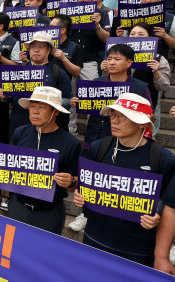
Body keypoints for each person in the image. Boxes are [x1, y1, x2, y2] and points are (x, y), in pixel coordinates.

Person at [74, 93, 175, 269]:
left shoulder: (162, 158)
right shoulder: (99, 147)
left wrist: (156, 215)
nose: (115, 120)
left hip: (136, 250)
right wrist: (79, 194)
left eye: (124, 116)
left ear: (143, 123)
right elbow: (87, 185)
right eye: (114, 114)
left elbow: (169, 205)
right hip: (94, 240)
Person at [0, 86, 81, 234]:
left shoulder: (70, 143)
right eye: (32, 106)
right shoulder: (20, 132)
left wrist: (70, 182)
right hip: (18, 206)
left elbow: (76, 183)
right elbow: (9, 167)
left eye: (41, 107)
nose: (35, 111)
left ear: (55, 111)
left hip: (49, 213)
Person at [73, 43, 152, 152]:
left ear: (129, 63)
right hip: (95, 136)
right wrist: (78, 103)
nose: (112, 62)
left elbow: (150, 115)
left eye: (117, 59)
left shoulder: (140, 87)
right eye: (109, 59)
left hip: (126, 141)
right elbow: (87, 107)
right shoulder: (96, 83)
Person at [0, 32, 73, 136]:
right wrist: (3, 96)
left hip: (47, 129)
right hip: (19, 127)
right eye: (33, 47)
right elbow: (9, 98)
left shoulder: (58, 72)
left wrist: (50, 102)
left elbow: (68, 100)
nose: (36, 50)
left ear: (49, 50)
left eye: (41, 47)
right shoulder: (17, 72)